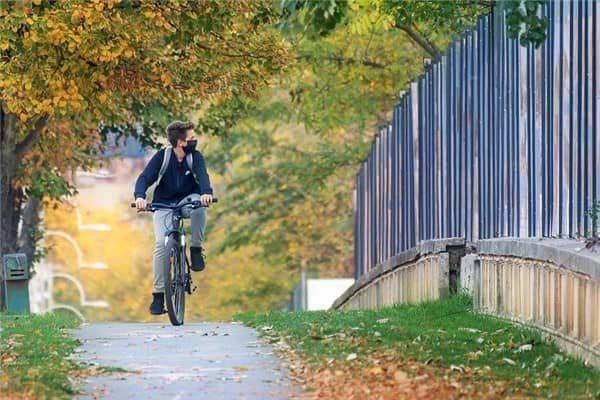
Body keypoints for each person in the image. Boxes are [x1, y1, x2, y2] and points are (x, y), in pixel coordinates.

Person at [133, 120, 213, 315]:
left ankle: (195, 249)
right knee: (161, 244)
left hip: (188, 201)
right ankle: (159, 296)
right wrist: (140, 197)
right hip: (164, 204)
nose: (195, 141)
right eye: (191, 138)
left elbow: (203, 177)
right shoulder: (163, 157)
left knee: (200, 208)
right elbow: (144, 178)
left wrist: (206, 193)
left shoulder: (195, 157)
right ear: (180, 142)